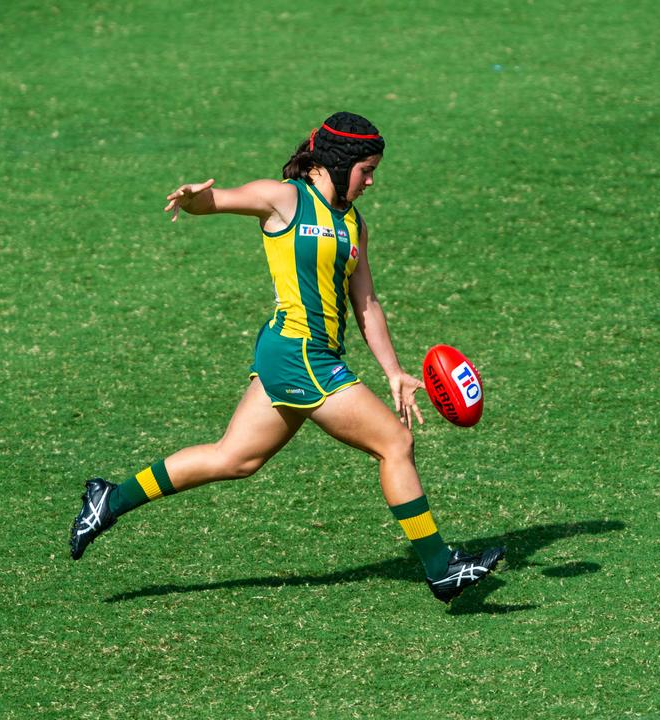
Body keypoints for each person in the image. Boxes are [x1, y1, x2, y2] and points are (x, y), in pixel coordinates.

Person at [69, 113, 504, 603]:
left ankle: (110, 498)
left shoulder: (354, 225)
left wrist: (395, 373)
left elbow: (366, 303)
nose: (371, 181)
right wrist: (194, 198)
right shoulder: (286, 199)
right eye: (365, 170)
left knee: (235, 458)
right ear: (336, 166)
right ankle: (441, 567)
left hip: (303, 355)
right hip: (299, 354)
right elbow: (218, 200)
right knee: (395, 443)